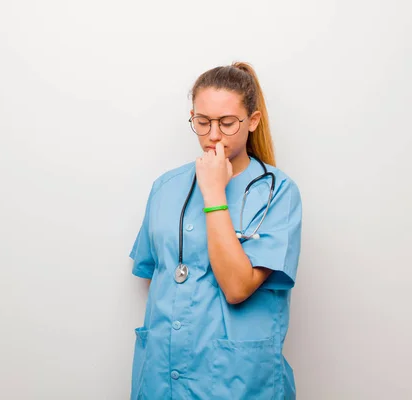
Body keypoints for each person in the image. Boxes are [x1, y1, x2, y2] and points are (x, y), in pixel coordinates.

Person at [129, 62, 303, 399]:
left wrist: (213, 193)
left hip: (237, 379)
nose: (212, 135)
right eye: (202, 122)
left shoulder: (277, 193)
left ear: (252, 121)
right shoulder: (166, 187)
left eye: (226, 123)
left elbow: (238, 288)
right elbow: (158, 275)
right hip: (162, 377)